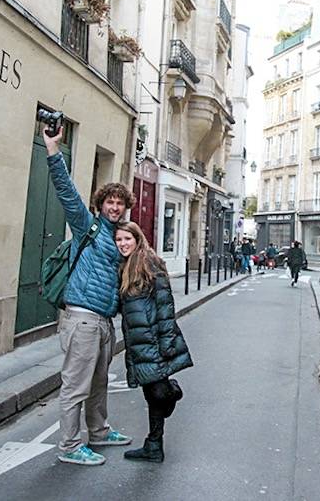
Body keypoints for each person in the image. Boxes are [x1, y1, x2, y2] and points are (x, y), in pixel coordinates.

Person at [44, 127, 135, 466]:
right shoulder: (88, 227)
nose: (114, 206)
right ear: (101, 205)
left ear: (125, 207)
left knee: (98, 383)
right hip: (81, 318)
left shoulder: (121, 237)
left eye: (120, 202)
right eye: (109, 201)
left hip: (104, 322)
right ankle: (68, 447)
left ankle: (98, 431)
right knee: (75, 386)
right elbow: (67, 192)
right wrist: (53, 150)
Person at [114, 221, 193, 463]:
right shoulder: (126, 266)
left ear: (137, 239)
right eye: (119, 240)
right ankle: (154, 445)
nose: (123, 244)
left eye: (127, 239)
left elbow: (165, 305)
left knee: (159, 391)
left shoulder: (149, 263)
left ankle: (173, 393)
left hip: (154, 341)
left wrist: (167, 341)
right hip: (140, 343)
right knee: (151, 393)